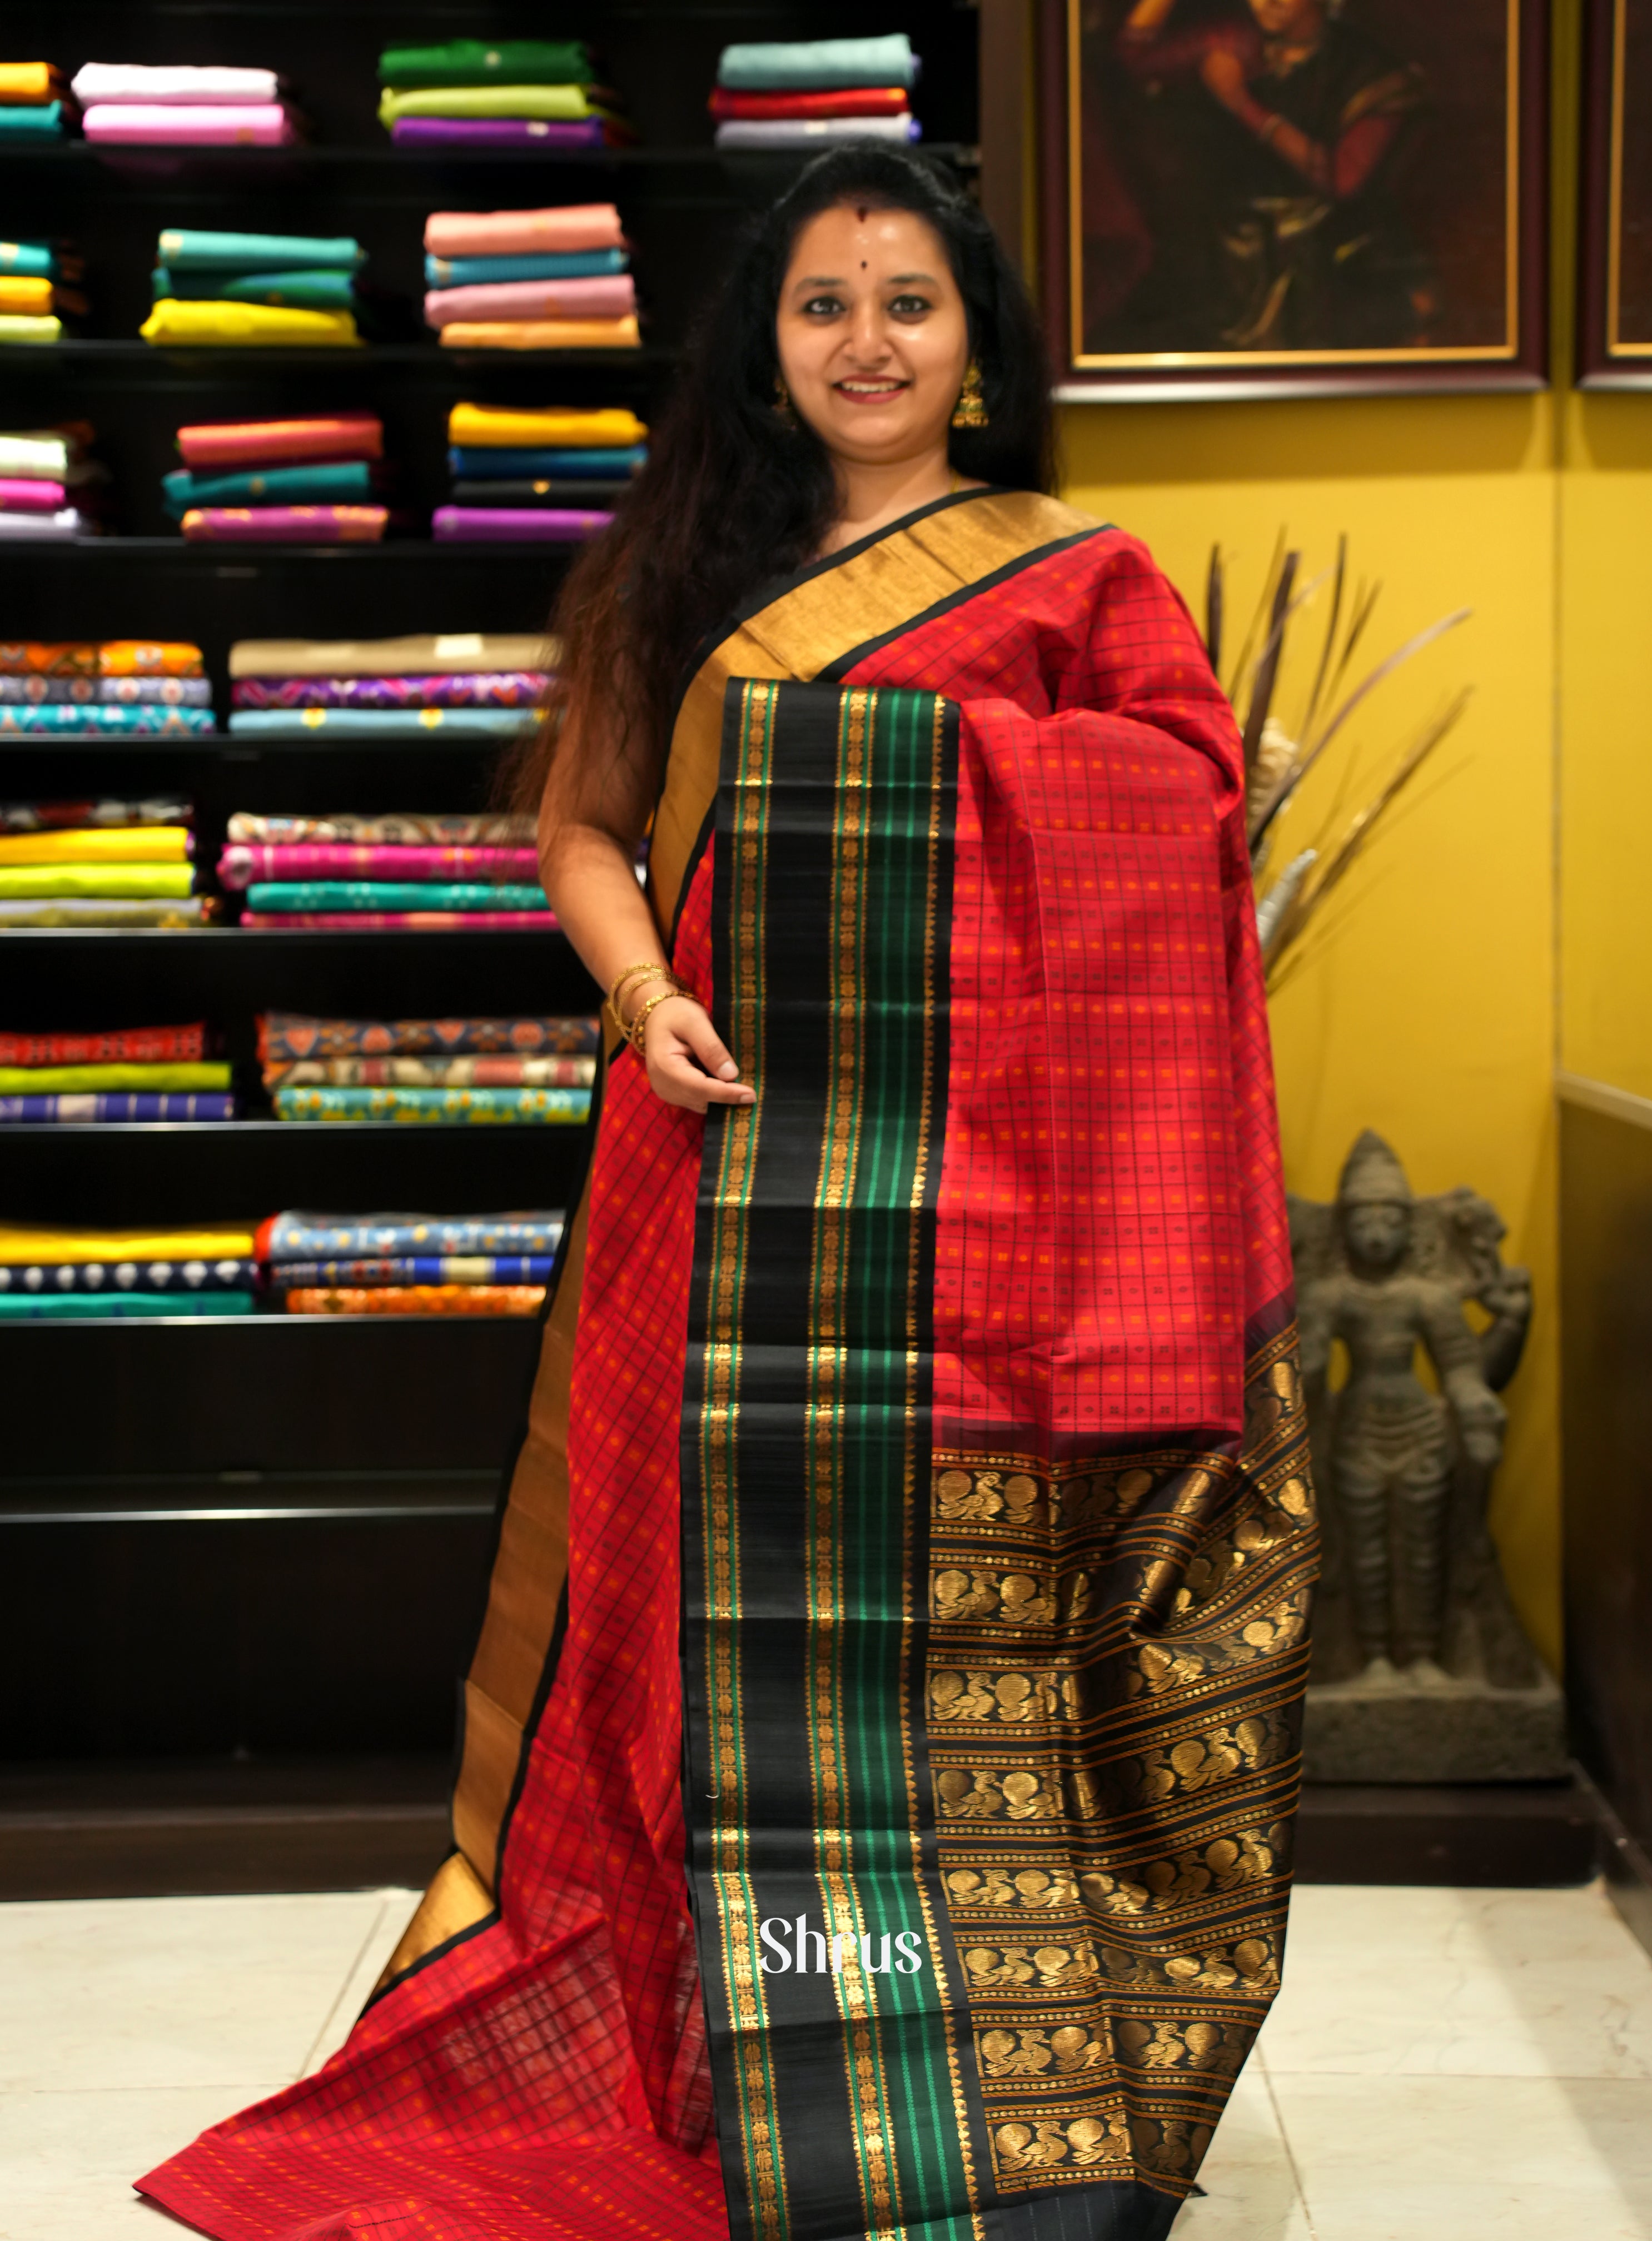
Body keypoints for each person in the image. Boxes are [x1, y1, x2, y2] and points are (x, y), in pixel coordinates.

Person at [141, 147, 1318, 2241]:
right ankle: (783, 2049)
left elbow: (1183, 817)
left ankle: (1011, 2079)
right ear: (763, 348)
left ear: (975, 341)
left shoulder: (1076, 576)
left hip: (999, 1231)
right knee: (741, 1655)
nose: (864, 341)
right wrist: (642, 984)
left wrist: (926, 799)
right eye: (818, 304)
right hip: (731, 1183)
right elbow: (586, 831)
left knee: (972, 1649)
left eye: (907, 302)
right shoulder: (685, 572)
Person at [1087, 0, 1432, 352]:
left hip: (1331, 268)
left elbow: (1341, 179)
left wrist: (1242, 104)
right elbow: (1129, 57)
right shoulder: (1232, 41)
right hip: (1229, 266)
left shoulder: (1372, 71)